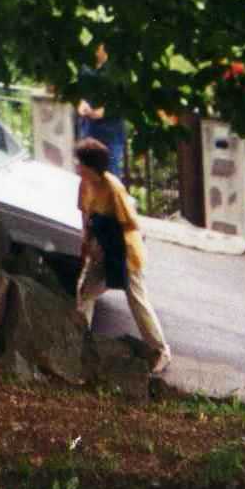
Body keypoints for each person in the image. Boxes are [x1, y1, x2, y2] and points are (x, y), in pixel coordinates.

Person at [75, 135, 171, 376]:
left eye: (80, 163)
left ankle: (161, 351)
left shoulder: (113, 188)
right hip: (102, 250)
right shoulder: (84, 185)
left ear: (90, 167)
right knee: (85, 293)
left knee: (137, 301)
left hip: (125, 252)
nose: (77, 167)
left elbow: (130, 224)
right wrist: (87, 242)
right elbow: (85, 216)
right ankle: (79, 341)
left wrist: (117, 255)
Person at [76, 40, 127, 181]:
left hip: (111, 133)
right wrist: (80, 104)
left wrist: (104, 111)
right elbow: (79, 93)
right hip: (88, 131)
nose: (96, 50)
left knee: (110, 175)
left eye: (99, 46)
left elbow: (125, 100)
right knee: (87, 174)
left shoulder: (117, 71)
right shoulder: (85, 68)